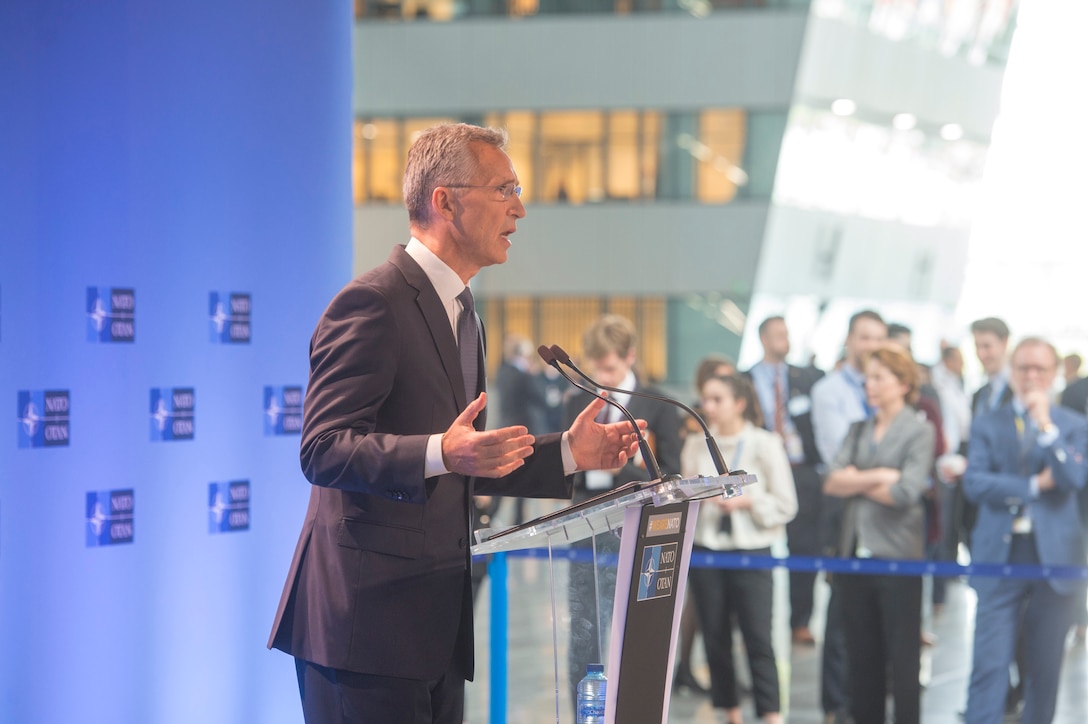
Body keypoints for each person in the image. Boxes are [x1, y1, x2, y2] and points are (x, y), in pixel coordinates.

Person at [266, 123, 643, 724]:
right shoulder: (373, 303)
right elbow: (324, 449)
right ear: (445, 200)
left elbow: (469, 460)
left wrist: (568, 453)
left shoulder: (467, 314)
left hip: (436, 625)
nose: (520, 208)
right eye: (505, 189)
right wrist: (443, 450)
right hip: (364, 632)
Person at [962, 337, 1088, 724]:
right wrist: (1034, 486)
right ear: (1012, 371)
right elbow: (975, 483)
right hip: (999, 553)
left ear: (1055, 374)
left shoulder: (1073, 425)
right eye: (1024, 368)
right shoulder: (987, 422)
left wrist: (1047, 428)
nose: (1031, 376)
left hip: (1056, 557)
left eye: (1040, 369)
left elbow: (1073, 477)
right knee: (989, 660)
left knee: (1046, 666)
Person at [563, 313, 683, 716]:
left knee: (636, 631)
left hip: (639, 527)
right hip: (586, 527)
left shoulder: (659, 405)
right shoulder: (578, 401)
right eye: (596, 367)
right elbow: (561, 468)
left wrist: (617, 466)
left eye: (610, 366)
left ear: (630, 356)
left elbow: (670, 472)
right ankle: (585, 712)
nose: (602, 374)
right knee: (583, 631)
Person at [823, 344, 936, 724]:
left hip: (899, 556)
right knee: (861, 656)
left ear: (902, 383)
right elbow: (832, 482)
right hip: (854, 554)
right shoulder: (858, 429)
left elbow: (906, 493)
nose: (869, 385)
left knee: (903, 658)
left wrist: (856, 479)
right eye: (868, 377)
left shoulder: (920, 431)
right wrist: (882, 476)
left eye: (878, 378)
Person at [684, 374, 797, 724]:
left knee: (758, 638)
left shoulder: (765, 443)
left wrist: (748, 502)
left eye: (718, 399)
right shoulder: (694, 444)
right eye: (706, 399)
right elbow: (686, 501)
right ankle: (728, 711)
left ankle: (771, 713)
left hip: (752, 551)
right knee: (715, 639)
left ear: (740, 403)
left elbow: (786, 504)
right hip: (707, 549)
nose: (710, 407)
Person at [809, 309, 887, 723]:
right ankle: (836, 705)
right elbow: (839, 458)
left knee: (880, 611)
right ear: (849, 341)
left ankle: (870, 699)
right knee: (841, 615)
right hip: (844, 514)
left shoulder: (893, 391)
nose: (871, 346)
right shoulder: (829, 391)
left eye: (878, 338)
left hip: (889, 516)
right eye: (863, 337)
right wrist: (890, 474)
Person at [744, 315, 824, 647]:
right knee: (753, 543)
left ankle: (800, 621)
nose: (785, 340)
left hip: (800, 468)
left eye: (787, 334)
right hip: (758, 473)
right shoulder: (744, 380)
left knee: (805, 546)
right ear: (764, 339)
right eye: (779, 334)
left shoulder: (807, 378)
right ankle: (748, 621)